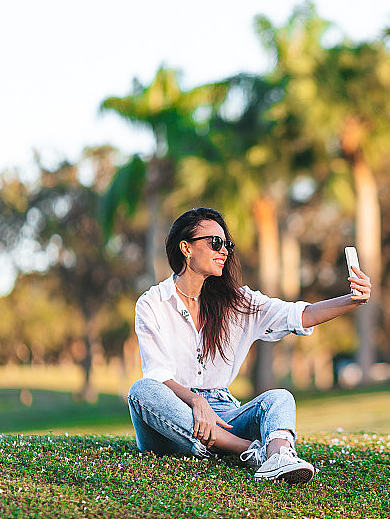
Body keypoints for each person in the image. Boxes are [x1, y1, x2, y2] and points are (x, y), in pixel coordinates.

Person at [127, 207, 371, 484]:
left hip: (224, 413)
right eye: (215, 243)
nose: (224, 251)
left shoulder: (238, 302)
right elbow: (158, 375)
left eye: (227, 245)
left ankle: (280, 457)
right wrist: (196, 402)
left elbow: (300, 314)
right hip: (173, 425)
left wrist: (352, 300)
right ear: (186, 248)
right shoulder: (152, 304)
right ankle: (248, 451)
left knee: (279, 398)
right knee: (142, 390)